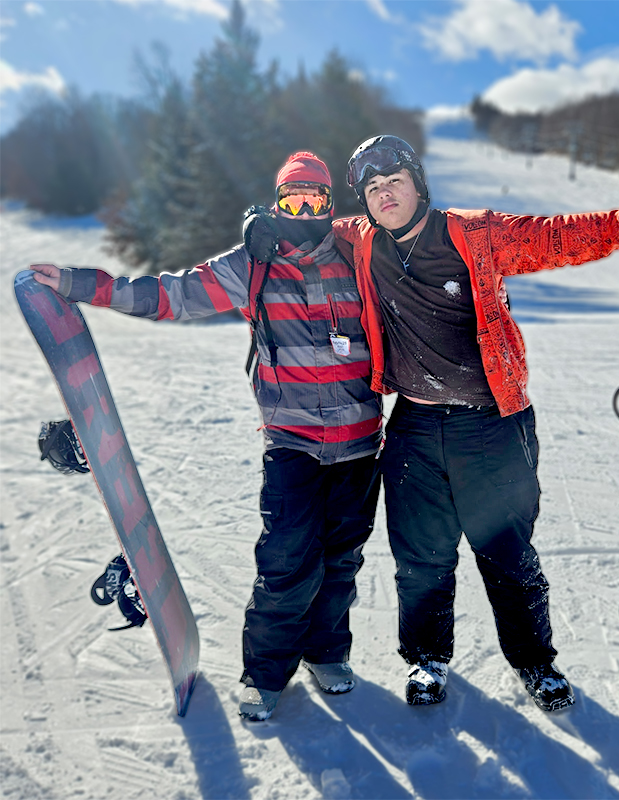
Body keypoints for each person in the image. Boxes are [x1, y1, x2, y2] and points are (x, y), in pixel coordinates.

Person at [246, 135, 619, 712]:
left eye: (395, 183)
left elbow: (558, 238)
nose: (385, 195)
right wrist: (260, 224)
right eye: (373, 189)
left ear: (418, 185)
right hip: (413, 425)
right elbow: (303, 226)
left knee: (508, 552)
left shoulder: (473, 232)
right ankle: (427, 660)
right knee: (420, 558)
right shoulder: (358, 240)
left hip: (493, 425)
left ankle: (536, 661)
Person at [30, 151, 383, 722]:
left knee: (341, 561)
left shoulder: (358, 257)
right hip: (293, 443)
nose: (303, 211)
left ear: (329, 205)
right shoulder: (254, 263)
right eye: (292, 200)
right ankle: (265, 676)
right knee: (287, 564)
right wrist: (81, 285)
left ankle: (327, 653)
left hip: (362, 445)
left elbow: (404, 243)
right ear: (277, 204)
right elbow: (170, 295)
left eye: (314, 200)